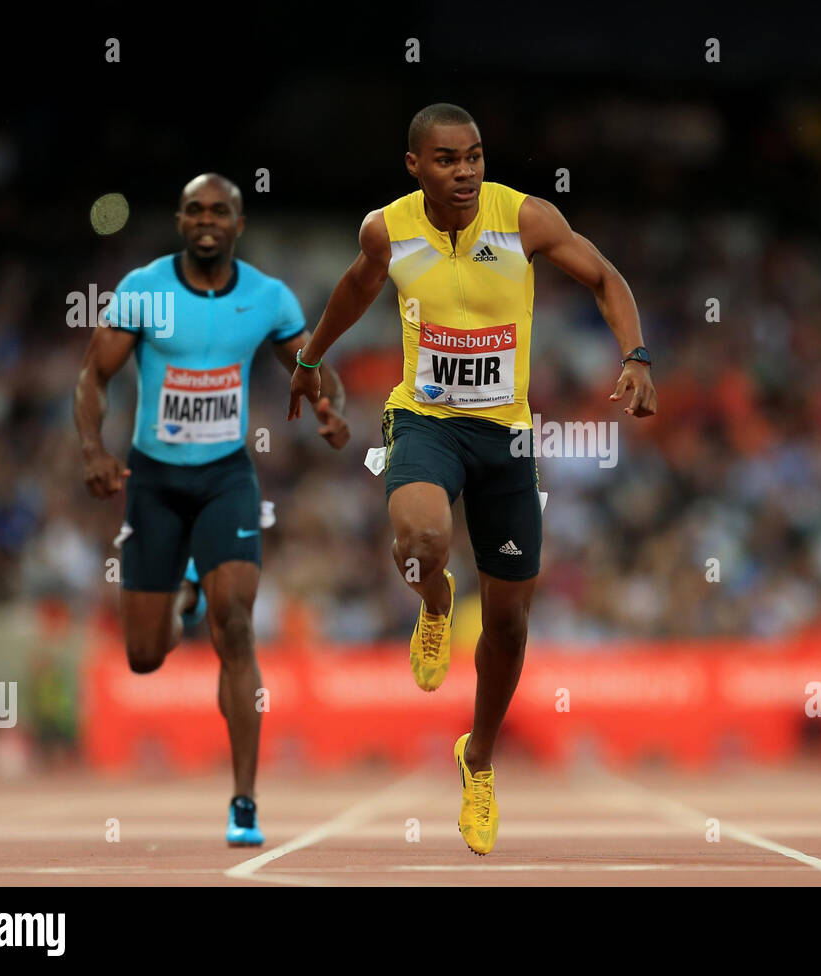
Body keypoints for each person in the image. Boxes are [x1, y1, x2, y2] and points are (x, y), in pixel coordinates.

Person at [288, 103, 657, 854]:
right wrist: (310, 356)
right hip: (424, 419)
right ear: (415, 166)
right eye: (449, 160)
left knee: (511, 622)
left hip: (506, 435)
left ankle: (478, 759)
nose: (466, 173)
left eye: (476, 157)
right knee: (421, 537)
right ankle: (433, 600)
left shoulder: (523, 218)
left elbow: (604, 276)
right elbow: (359, 286)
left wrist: (637, 355)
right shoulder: (386, 229)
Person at [75, 173, 350, 845]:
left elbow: (314, 365)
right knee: (142, 656)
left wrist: (326, 405)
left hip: (227, 478)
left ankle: (245, 803)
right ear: (179, 220)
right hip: (154, 480)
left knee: (236, 623)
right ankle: (178, 604)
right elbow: (93, 377)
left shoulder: (267, 297)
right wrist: (93, 450)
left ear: (239, 224)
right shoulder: (143, 291)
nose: (206, 220)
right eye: (195, 210)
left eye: (219, 211)